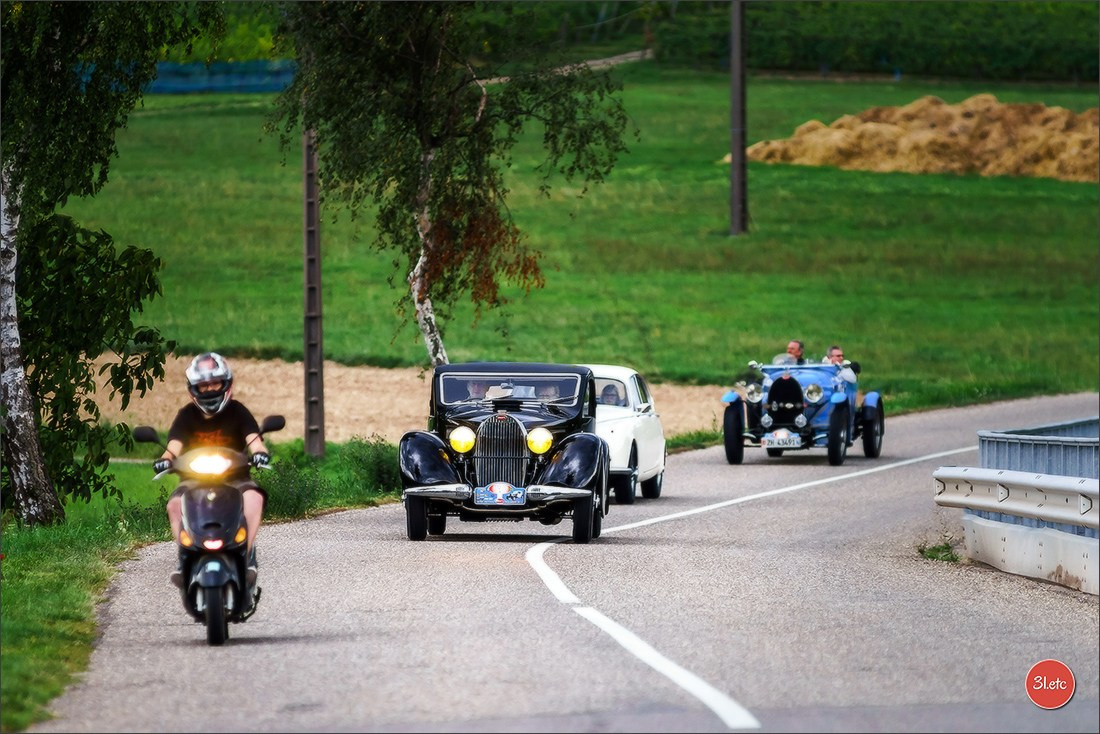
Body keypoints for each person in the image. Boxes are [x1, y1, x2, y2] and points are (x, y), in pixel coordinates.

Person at [156, 352, 271, 589]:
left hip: (236, 479)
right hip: (194, 481)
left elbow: (254, 440)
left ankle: (246, 555)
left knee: (254, 498)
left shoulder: (238, 411)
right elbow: (173, 447)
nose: (209, 389)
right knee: (174, 505)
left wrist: (260, 452)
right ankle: (185, 557)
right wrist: (165, 459)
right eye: (203, 385)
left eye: (214, 383)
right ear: (194, 389)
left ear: (226, 383)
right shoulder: (187, 415)